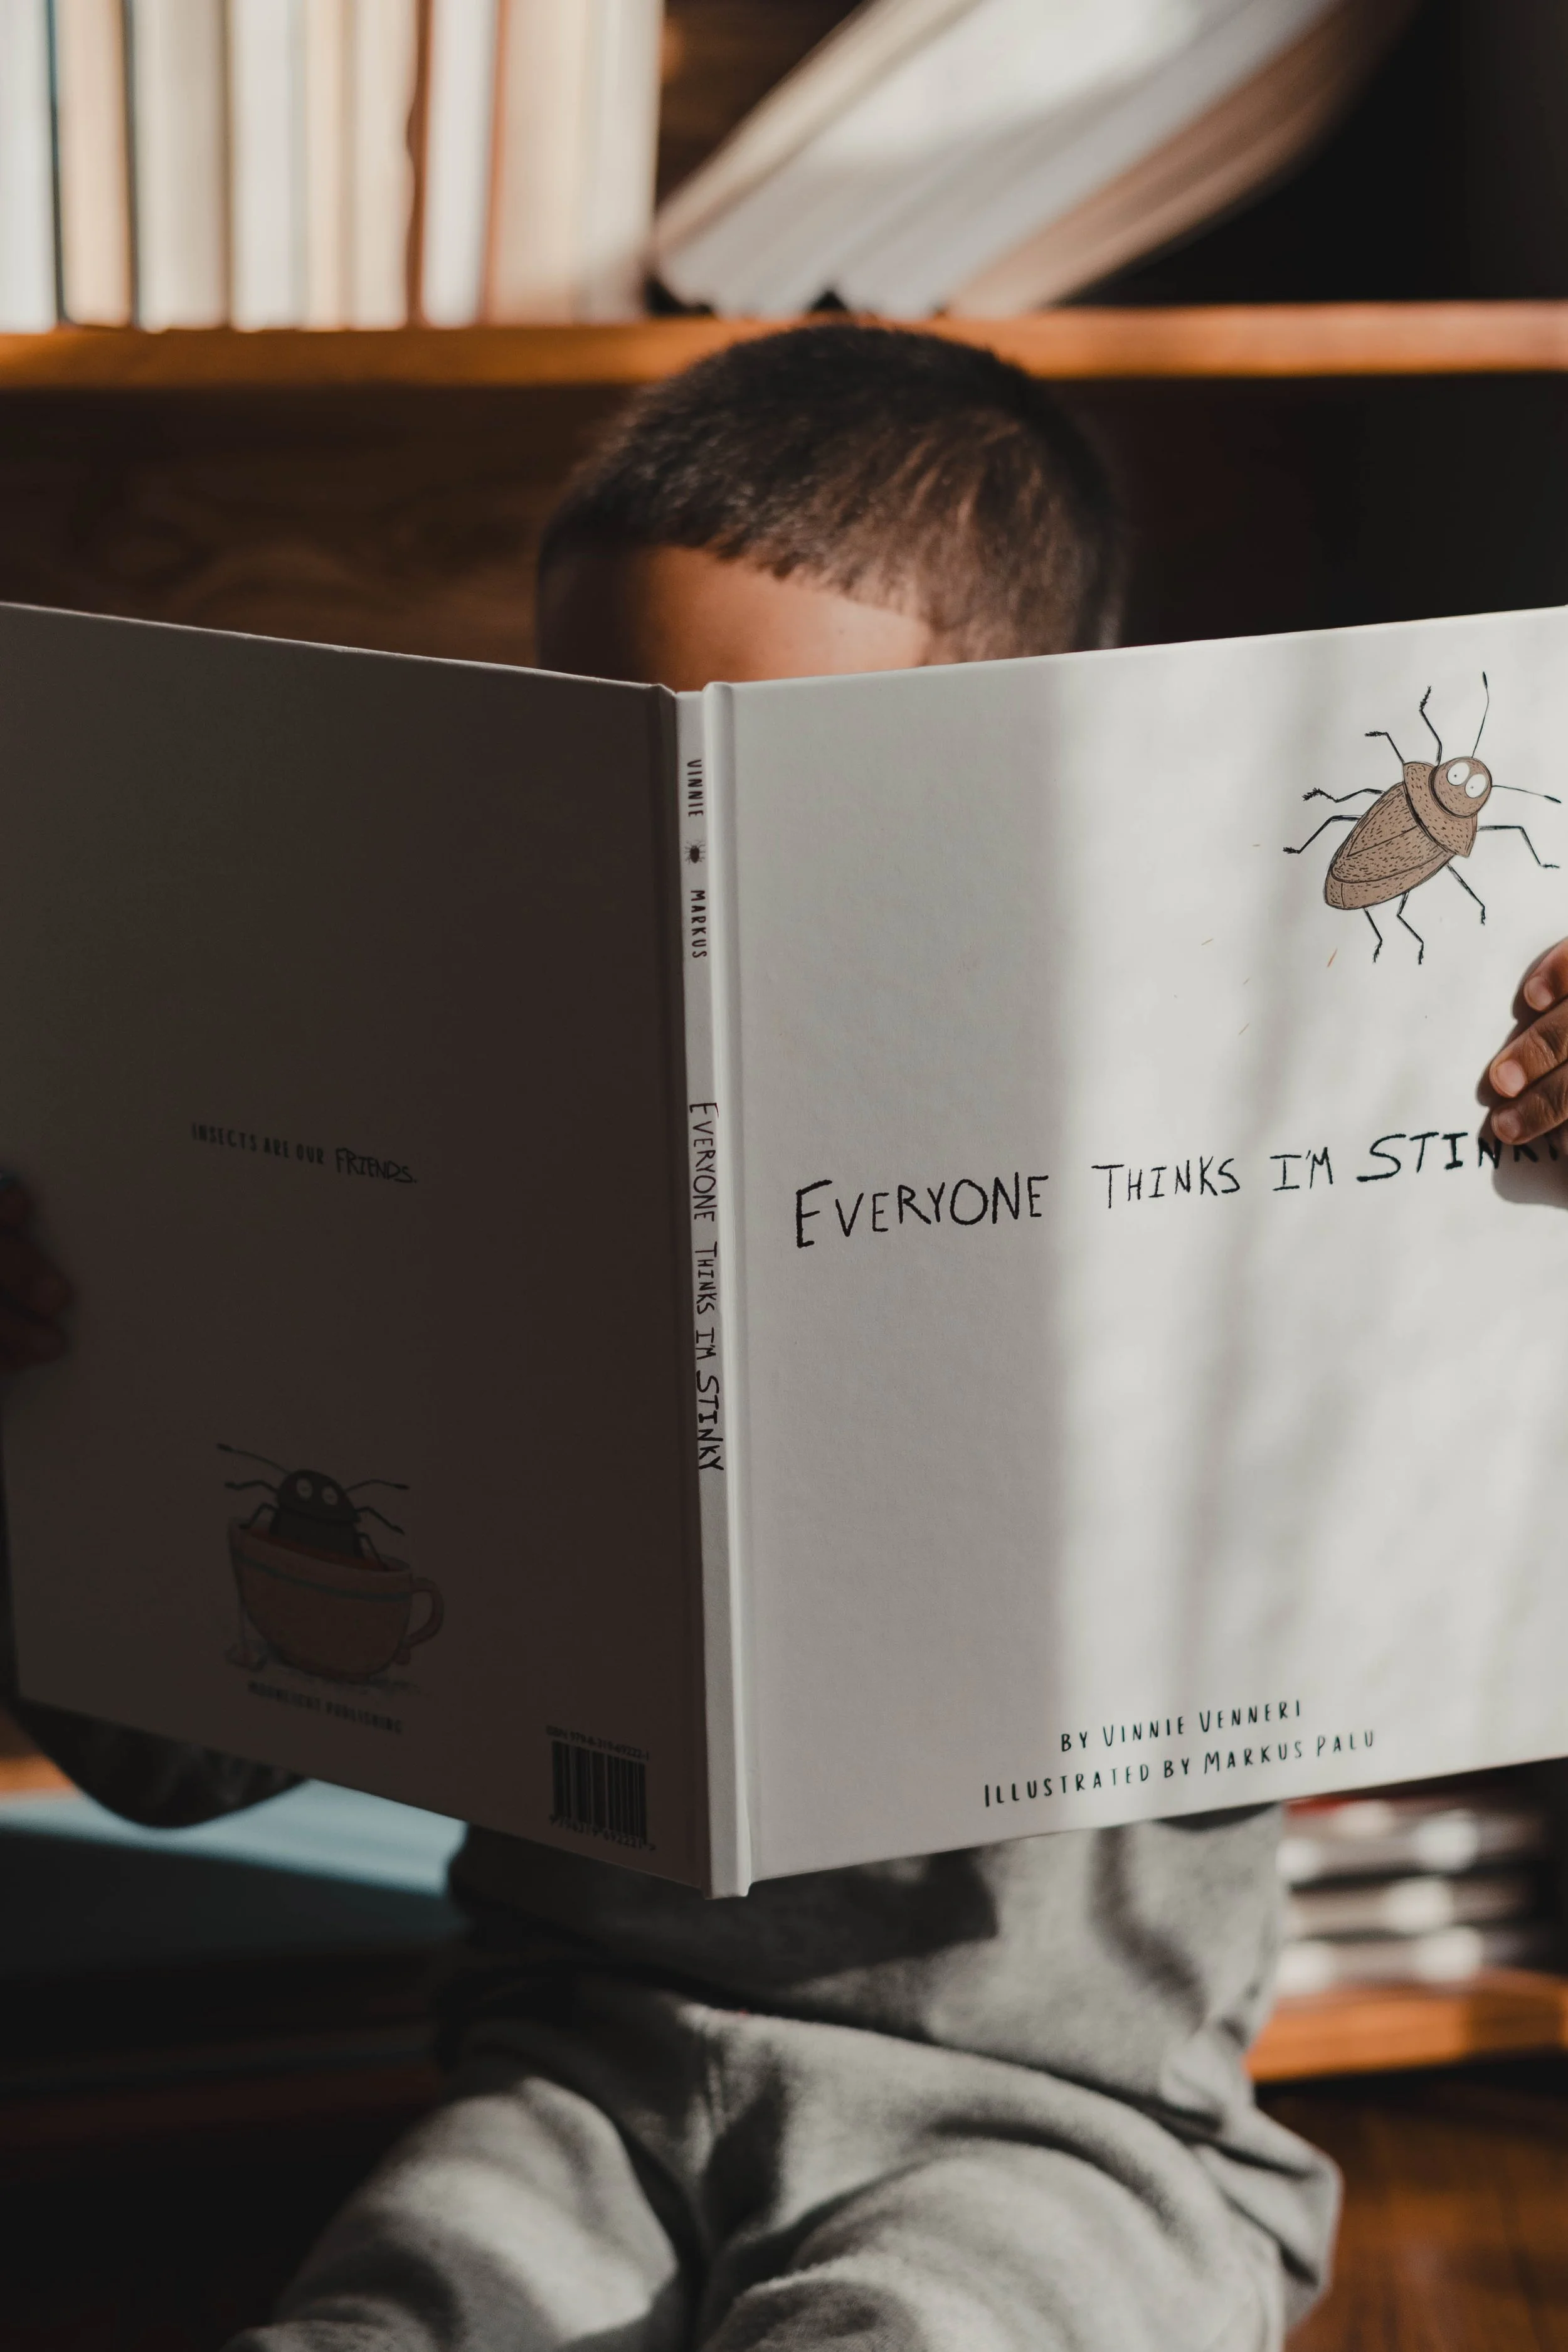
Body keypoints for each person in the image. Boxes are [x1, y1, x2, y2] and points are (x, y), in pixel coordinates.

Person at [4, 321, 1557, 2352]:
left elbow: (1469, 1550)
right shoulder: (476, 1173)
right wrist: (60, 1388)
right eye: (612, 772)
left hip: (1065, 2126)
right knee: (381, 2321)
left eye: (779, 806)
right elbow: (171, 1753)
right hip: (571, 2085)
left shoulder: (1229, 1172)